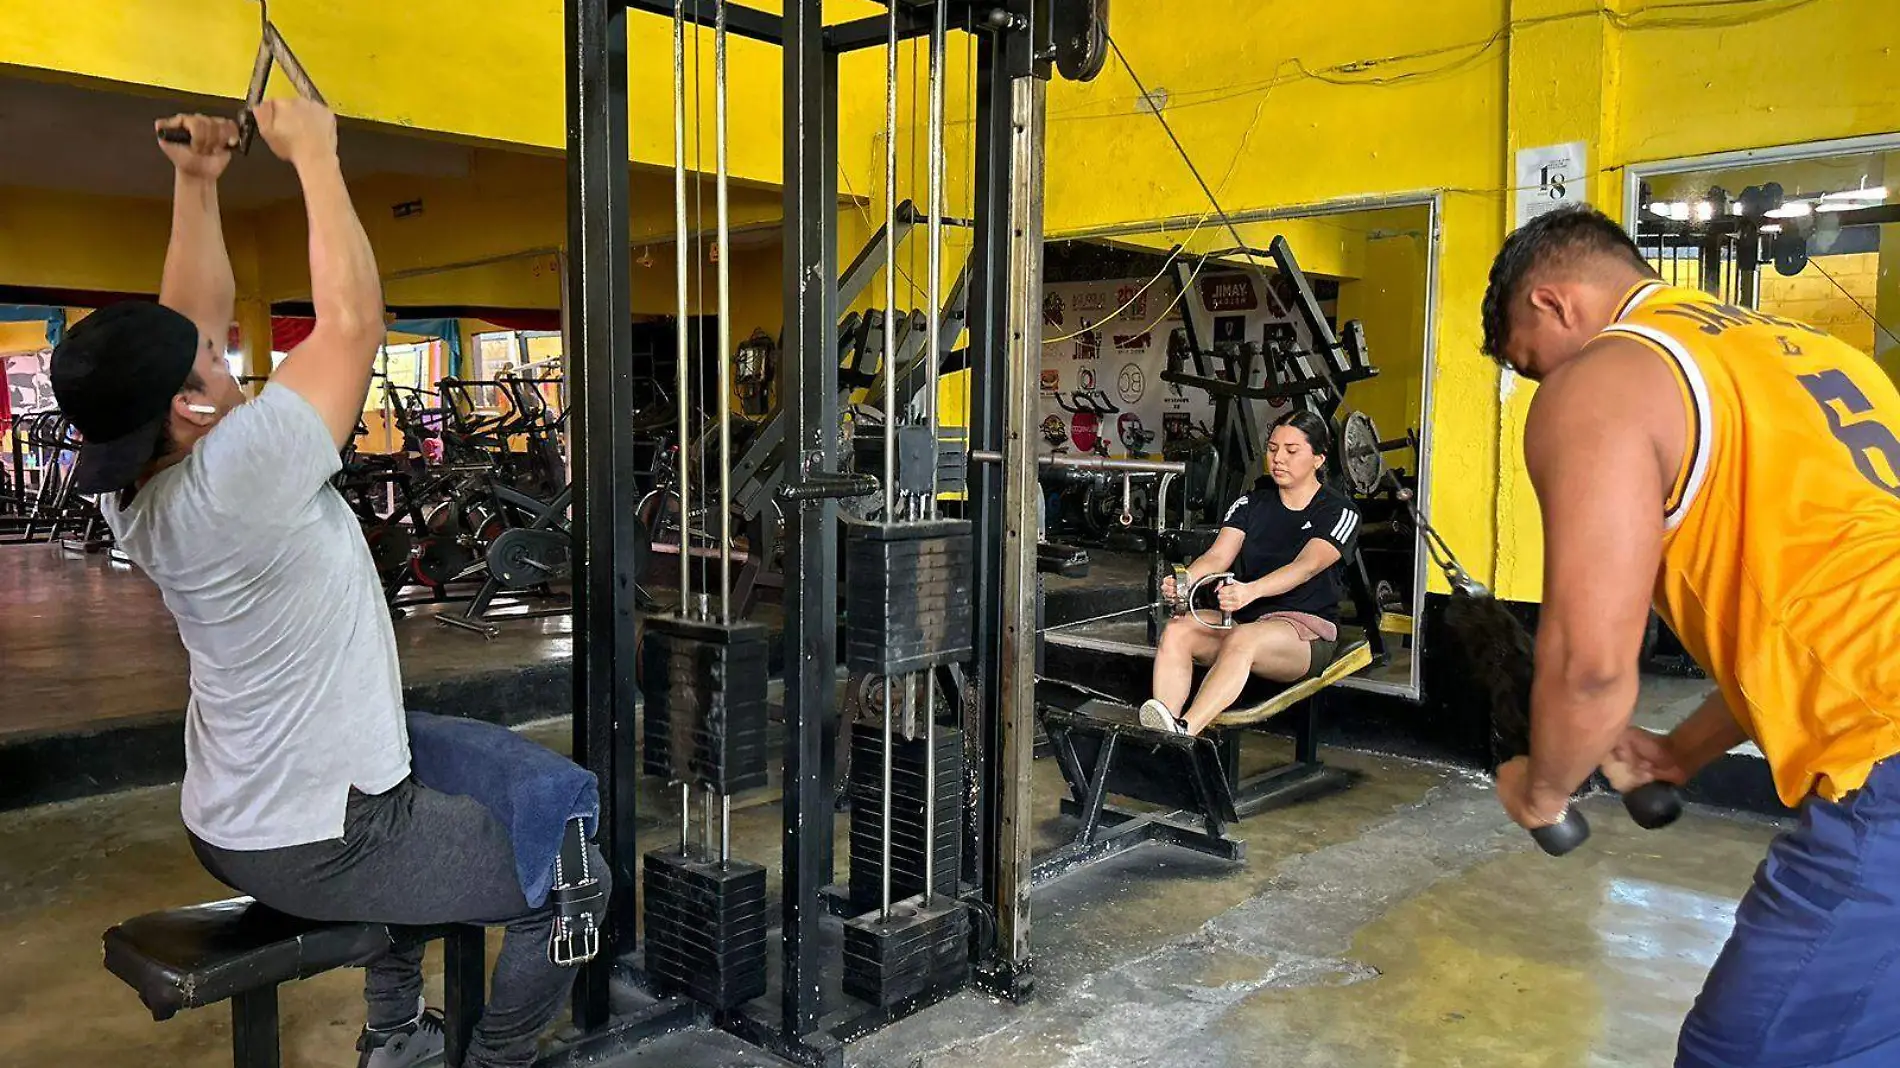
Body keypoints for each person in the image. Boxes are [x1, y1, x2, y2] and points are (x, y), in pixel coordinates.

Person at [49, 104, 601, 1068]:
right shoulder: (240, 474)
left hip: (234, 815)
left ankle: (396, 1034)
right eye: (214, 362)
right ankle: (494, 1058)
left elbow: (182, 328)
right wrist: (316, 155)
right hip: (326, 836)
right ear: (186, 402)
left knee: (522, 776)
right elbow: (352, 323)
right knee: (575, 875)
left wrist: (198, 181)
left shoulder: (136, 494)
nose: (225, 359)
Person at [1483, 203, 1900, 1067]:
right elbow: (1818, 612)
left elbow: (1591, 668)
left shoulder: (1604, 378)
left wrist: (1546, 788)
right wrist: (1682, 752)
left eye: (1529, 365)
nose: (1539, 386)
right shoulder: (1819, 357)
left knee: (1742, 1053)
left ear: (1554, 303)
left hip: (1885, 754)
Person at [1139, 408, 1360, 736]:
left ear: (1318, 458)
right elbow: (1217, 556)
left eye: (1291, 451)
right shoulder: (1252, 503)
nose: (1278, 459)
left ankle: (1185, 732)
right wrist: (1184, 582)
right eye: (1272, 449)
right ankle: (1163, 730)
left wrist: (1249, 591)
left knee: (1244, 639)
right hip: (1248, 623)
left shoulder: (1339, 510)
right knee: (1177, 631)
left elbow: (1306, 566)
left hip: (1303, 632)